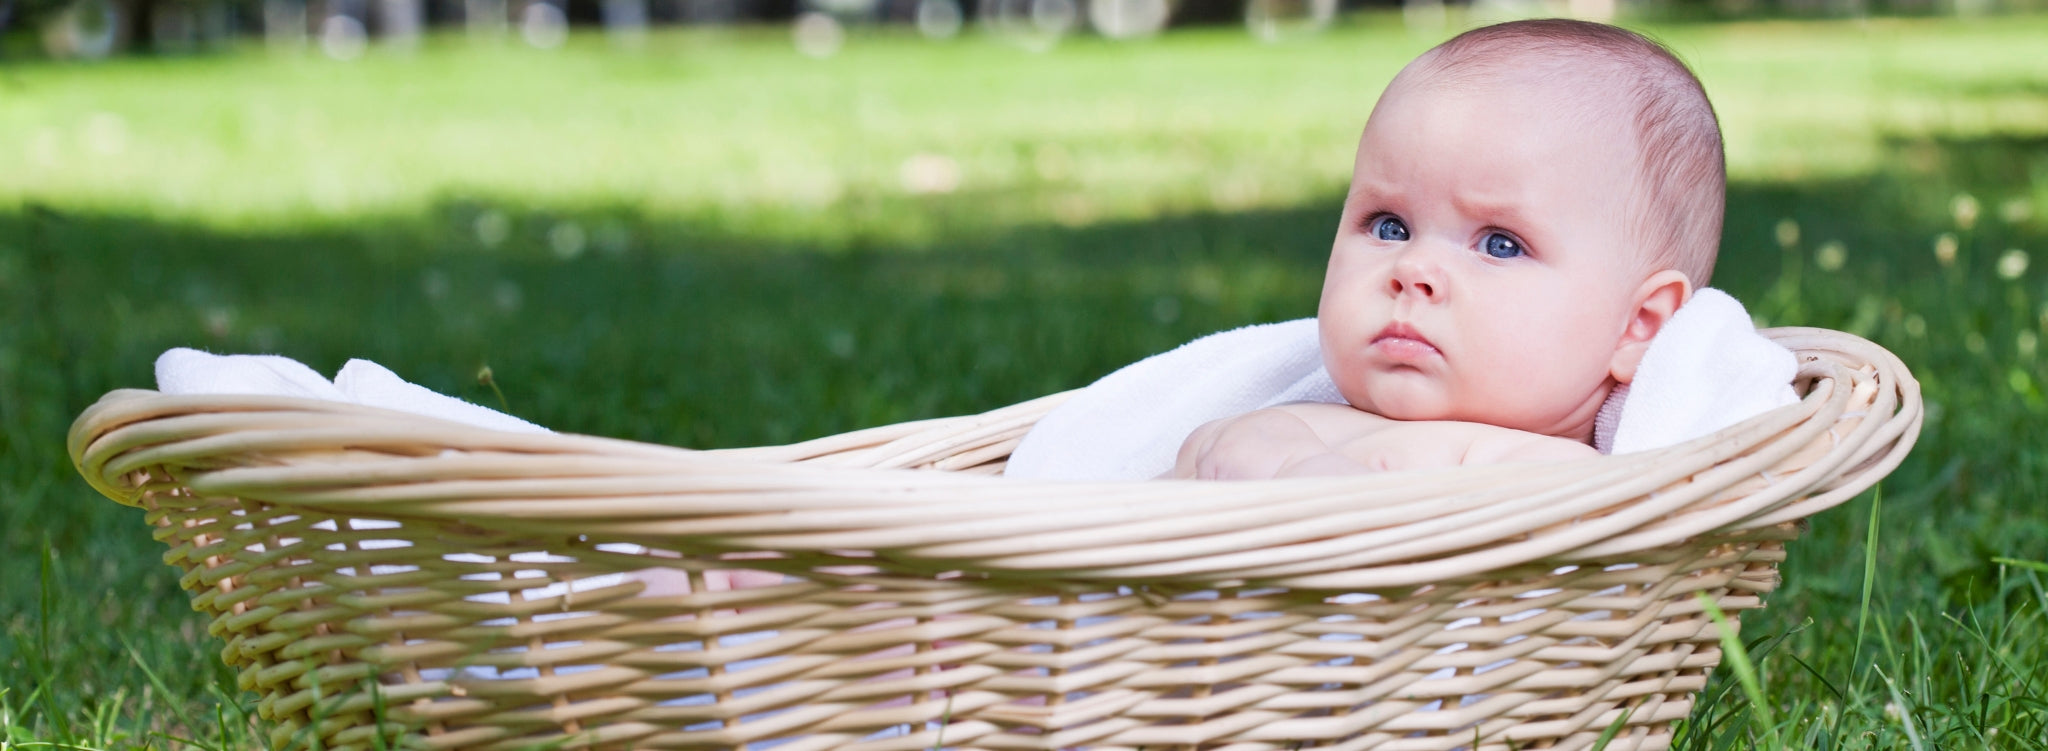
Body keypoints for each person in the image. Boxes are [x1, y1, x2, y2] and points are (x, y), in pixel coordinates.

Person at [1172, 18, 1725, 480]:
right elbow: (1206, 451)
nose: (1412, 269)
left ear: (1639, 325)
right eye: (1390, 227)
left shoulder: (1577, 478)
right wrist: (1281, 464)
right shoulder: (1301, 423)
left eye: (1501, 244)